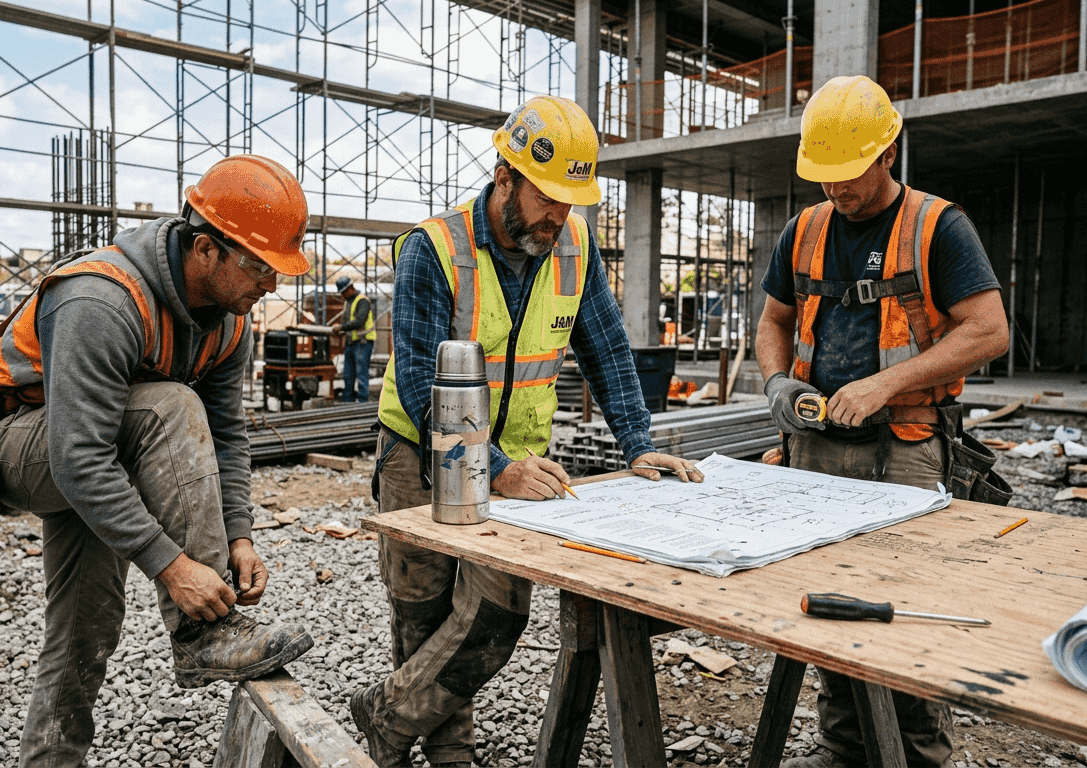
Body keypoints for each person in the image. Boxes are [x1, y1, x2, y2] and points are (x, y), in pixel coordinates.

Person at [350, 94, 704, 768]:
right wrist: (495, 466)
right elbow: (421, 379)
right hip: (417, 455)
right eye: (547, 198)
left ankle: (386, 718)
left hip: (513, 465)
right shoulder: (434, 249)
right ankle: (449, 753)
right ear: (504, 178)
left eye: (571, 202)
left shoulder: (573, 246)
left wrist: (639, 444)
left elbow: (607, 349)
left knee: (495, 615)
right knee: (422, 611)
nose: (559, 216)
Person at [0, 155, 316, 768]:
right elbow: (78, 458)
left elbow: (227, 436)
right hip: (10, 446)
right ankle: (203, 634)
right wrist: (175, 569)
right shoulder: (100, 300)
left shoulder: (230, 324)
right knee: (169, 405)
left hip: (103, 449)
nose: (271, 285)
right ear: (205, 249)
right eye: (260, 266)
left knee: (85, 627)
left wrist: (238, 534)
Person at [755, 76, 1008, 768]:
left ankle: (919, 757)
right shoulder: (804, 231)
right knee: (832, 600)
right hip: (815, 447)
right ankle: (843, 748)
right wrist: (777, 381)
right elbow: (774, 321)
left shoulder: (937, 226)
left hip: (907, 446)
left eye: (850, 171)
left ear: (889, 152)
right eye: (826, 173)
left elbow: (988, 330)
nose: (837, 187)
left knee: (903, 605)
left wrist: (884, 384)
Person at [333, 275, 375, 402]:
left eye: (343, 292)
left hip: (363, 342)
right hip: (351, 342)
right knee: (348, 374)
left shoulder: (362, 301)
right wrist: (341, 329)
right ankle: (348, 400)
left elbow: (359, 322)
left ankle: (363, 401)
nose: (342, 295)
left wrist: (341, 327)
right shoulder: (348, 302)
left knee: (361, 373)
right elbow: (346, 321)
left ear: (350, 288)